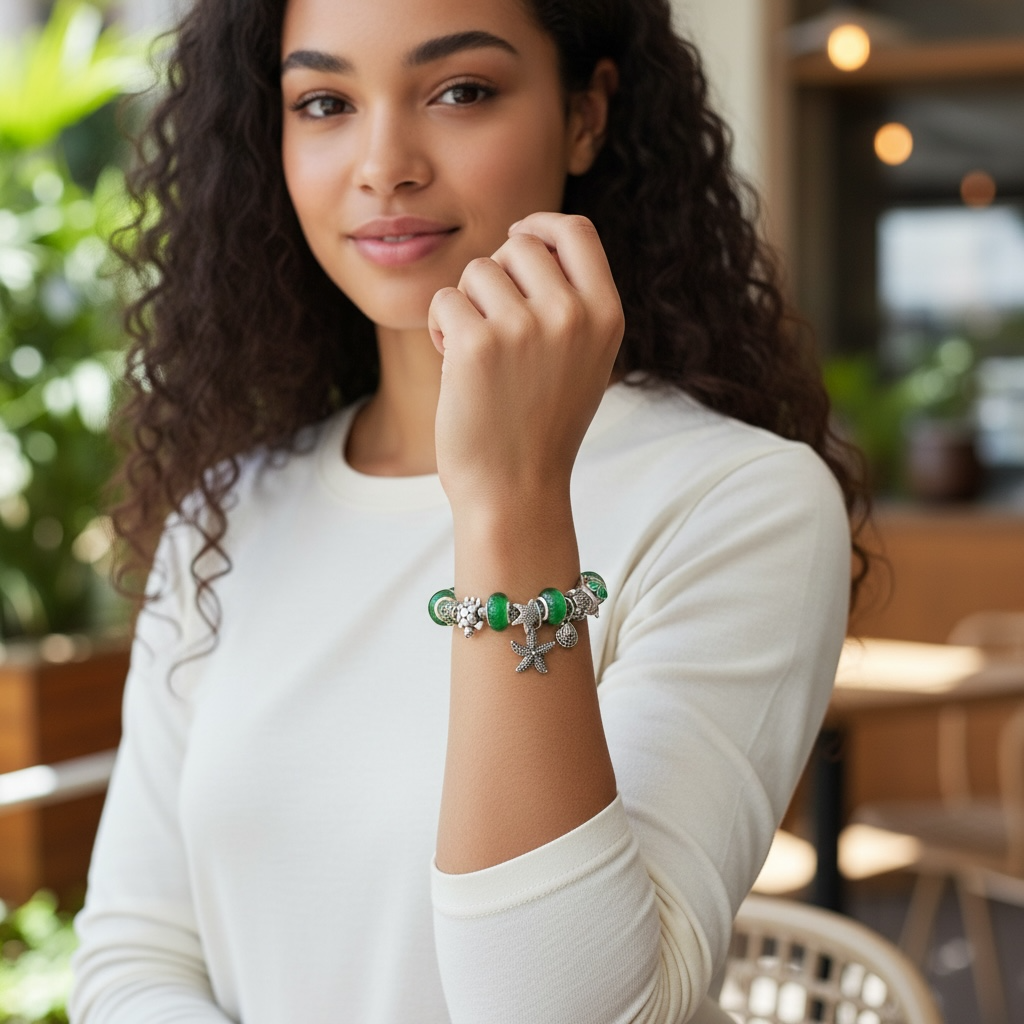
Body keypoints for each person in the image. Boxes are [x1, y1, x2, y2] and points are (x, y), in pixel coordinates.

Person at [70, 0, 866, 1021]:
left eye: (460, 91)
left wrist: (511, 501)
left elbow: (569, 1010)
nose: (384, 162)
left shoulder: (737, 502)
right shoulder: (225, 519)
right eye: (324, 102)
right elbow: (132, 961)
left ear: (586, 113)